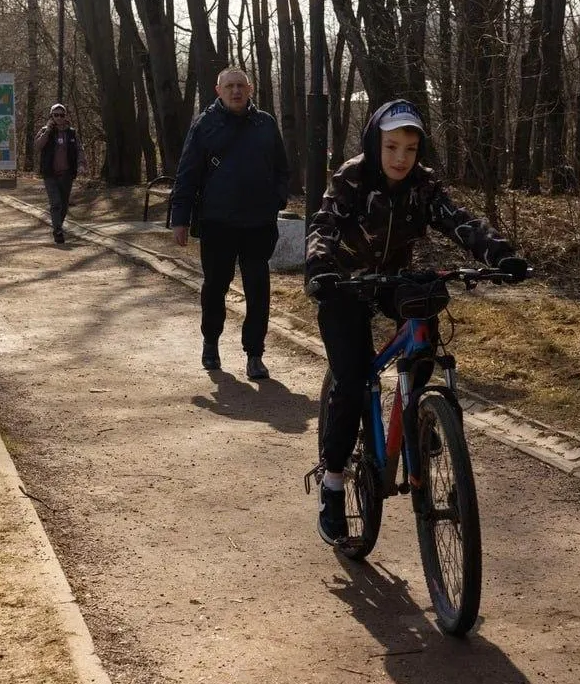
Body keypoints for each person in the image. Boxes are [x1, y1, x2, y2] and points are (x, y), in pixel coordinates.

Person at [304, 99, 529, 545]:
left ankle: (418, 417)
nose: (401, 157)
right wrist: (319, 268)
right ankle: (332, 483)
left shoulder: (423, 186)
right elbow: (324, 224)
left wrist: (500, 254)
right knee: (351, 382)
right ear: (375, 143)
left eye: (410, 147)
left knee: (426, 317)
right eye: (391, 146)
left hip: (392, 279)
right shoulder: (352, 177)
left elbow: (460, 221)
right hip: (343, 284)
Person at [168, 66, 289, 381]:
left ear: (250, 89)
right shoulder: (205, 125)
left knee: (258, 289)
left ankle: (255, 354)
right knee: (215, 287)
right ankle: (211, 341)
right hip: (217, 223)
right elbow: (187, 174)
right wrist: (179, 219)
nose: (236, 91)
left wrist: (277, 199)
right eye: (230, 86)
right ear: (218, 90)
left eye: (241, 86)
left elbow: (282, 169)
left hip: (258, 224)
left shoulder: (265, 124)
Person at [33, 103, 86, 245]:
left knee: (63, 204)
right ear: (51, 116)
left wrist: (81, 164)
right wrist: (48, 131)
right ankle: (57, 230)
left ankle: (59, 226)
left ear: (65, 116)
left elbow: (79, 150)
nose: (59, 118)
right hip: (50, 174)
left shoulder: (71, 133)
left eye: (61, 115)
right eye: (55, 115)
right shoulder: (45, 131)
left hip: (67, 174)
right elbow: (37, 146)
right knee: (55, 203)